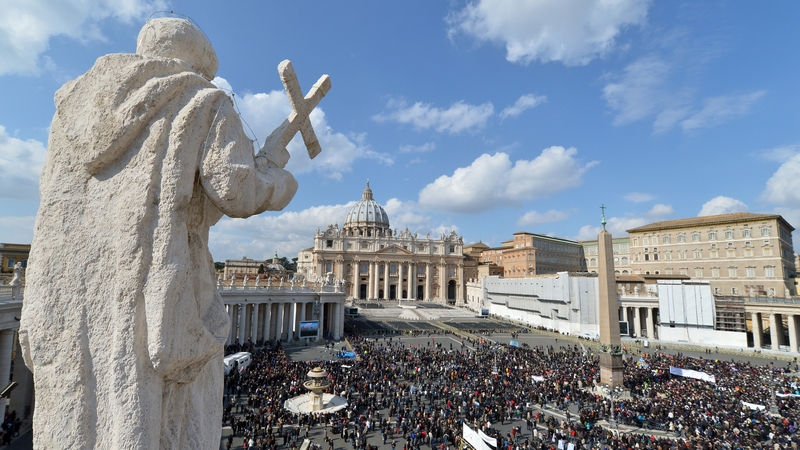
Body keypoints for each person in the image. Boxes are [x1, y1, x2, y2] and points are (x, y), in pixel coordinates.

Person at [19, 17, 306, 449]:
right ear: (200, 65)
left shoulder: (71, 114)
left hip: (68, 294)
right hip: (149, 293)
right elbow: (236, 189)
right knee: (157, 418)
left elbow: (184, 203)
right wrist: (277, 176)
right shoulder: (202, 98)